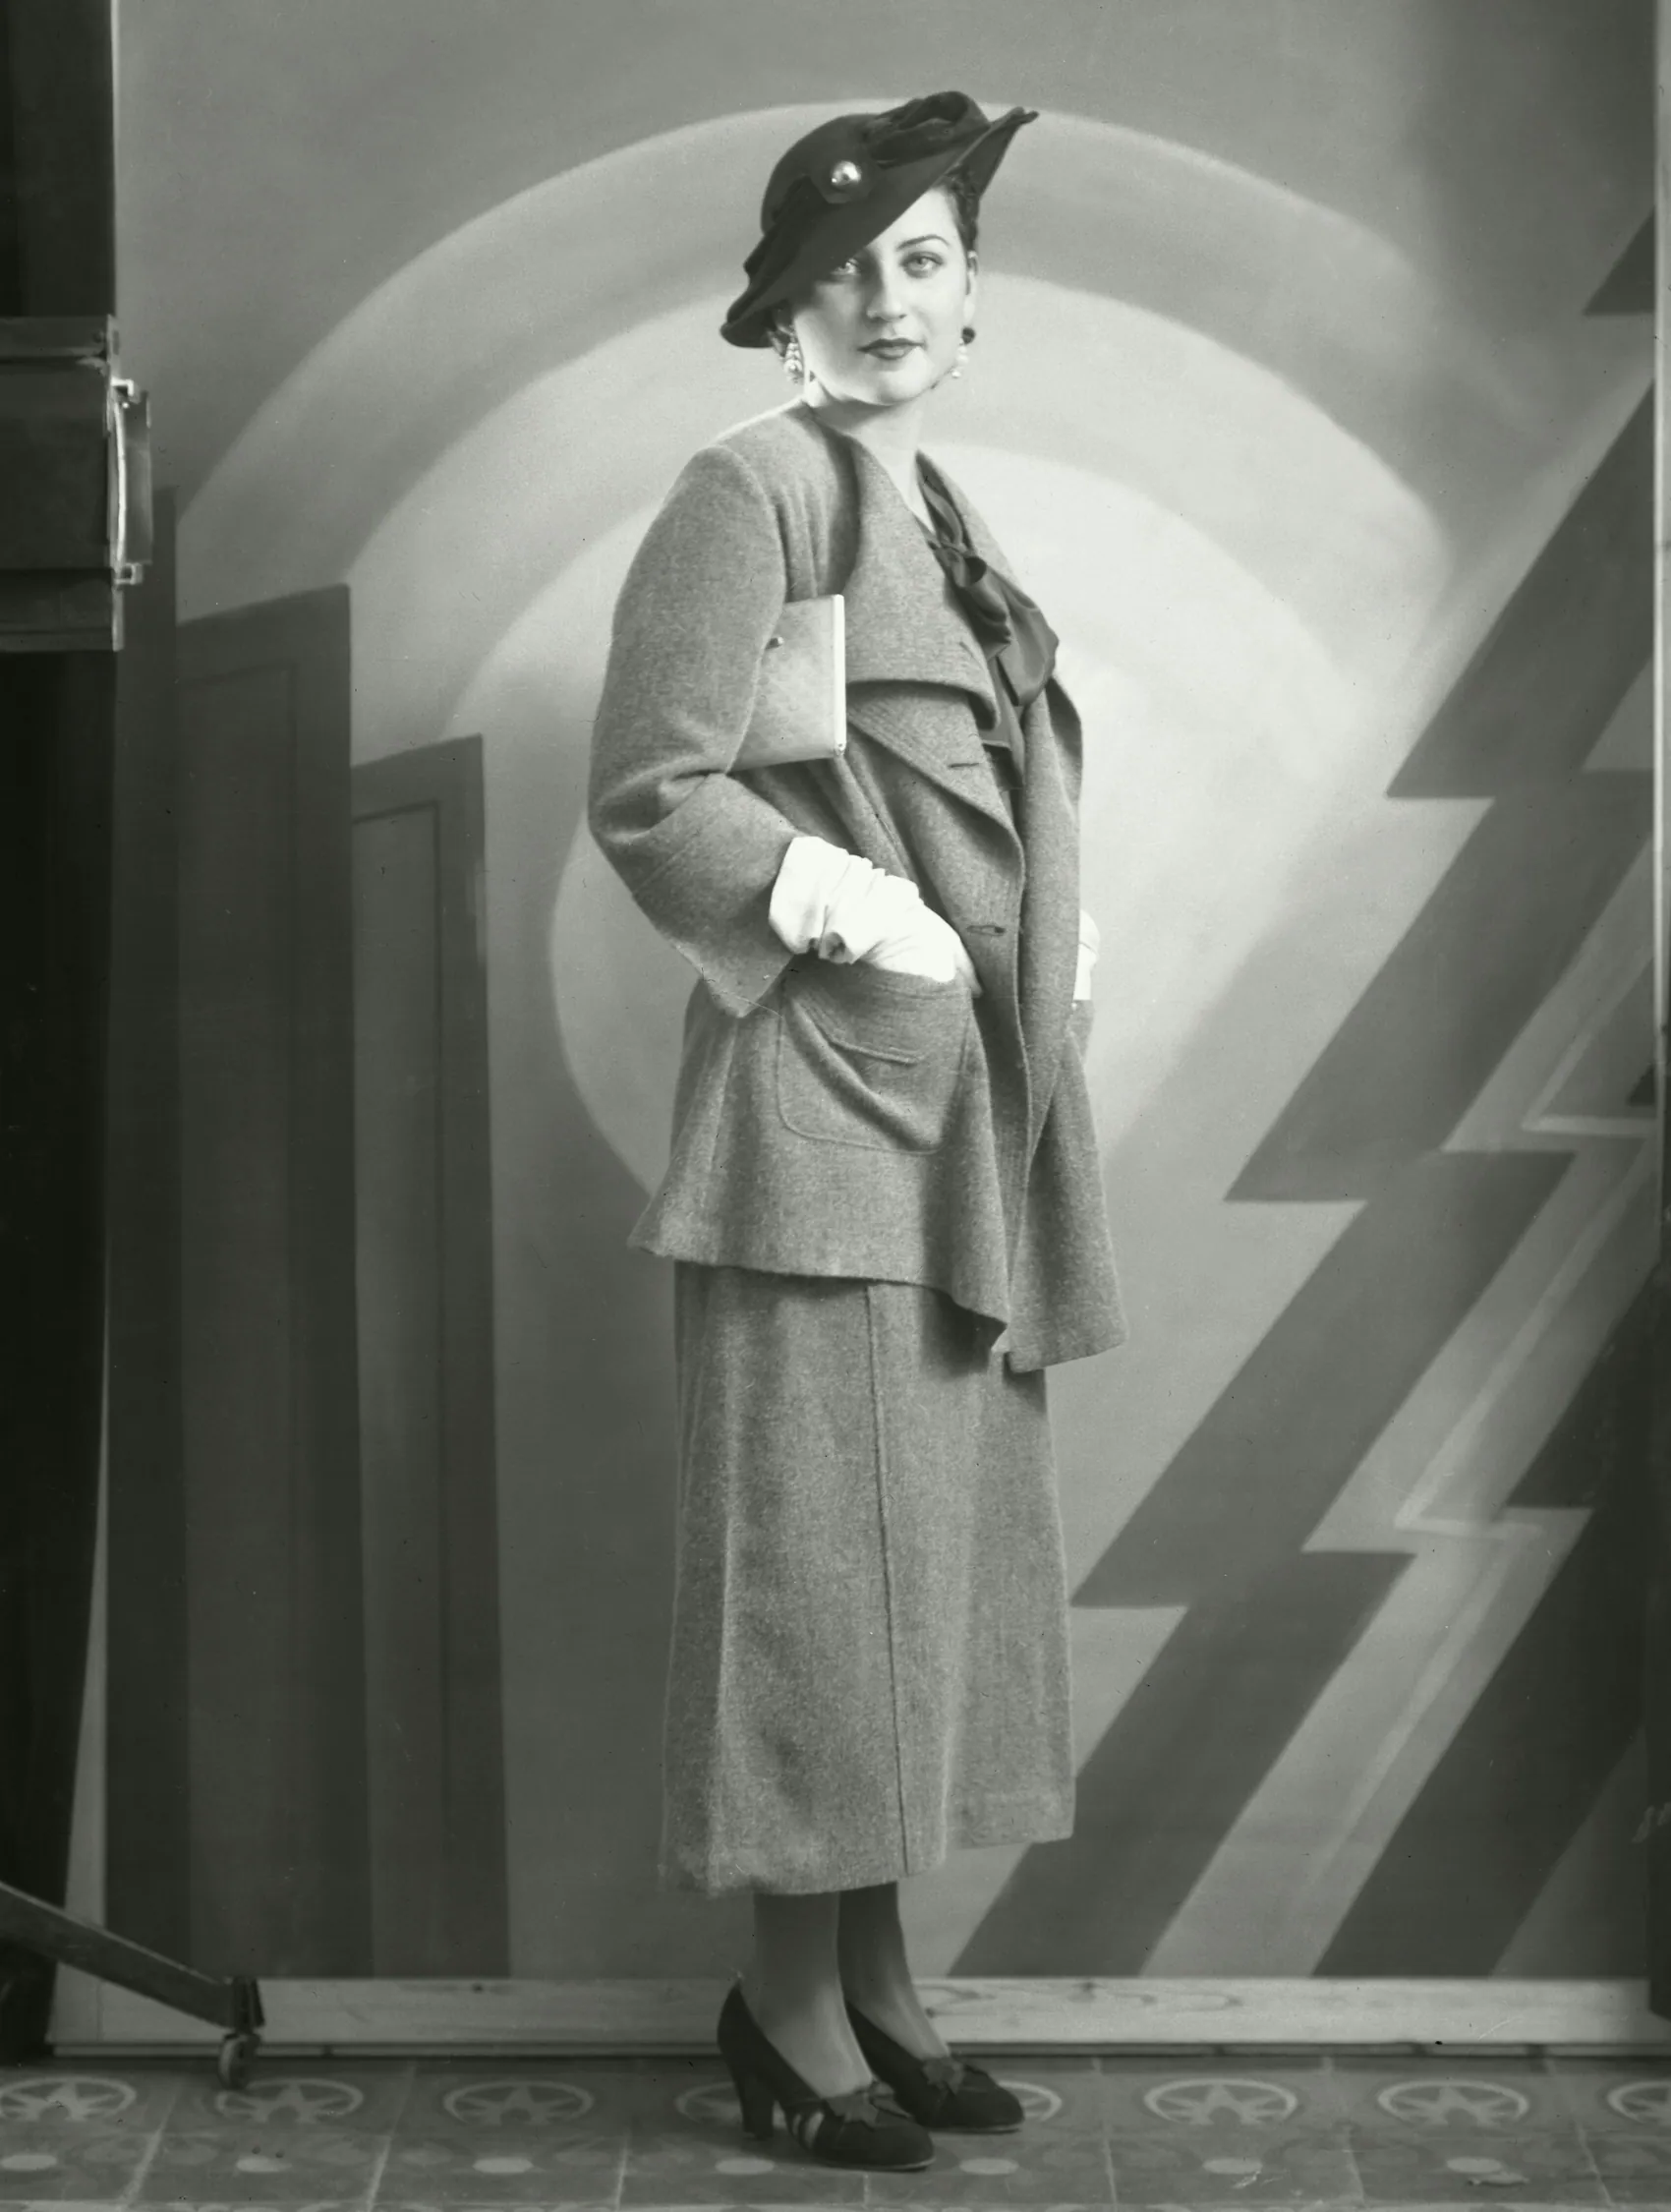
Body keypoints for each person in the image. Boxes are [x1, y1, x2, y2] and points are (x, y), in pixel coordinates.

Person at [588, 89, 1125, 2174]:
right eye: (840, 274)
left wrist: (1051, 941)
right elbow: (653, 789)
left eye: (920, 261)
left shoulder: (942, 517)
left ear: (972, 291)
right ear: (783, 316)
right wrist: (846, 906)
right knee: (819, 1589)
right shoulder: (749, 489)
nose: (886, 301)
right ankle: (786, 2011)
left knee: (923, 1583)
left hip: (967, 1123)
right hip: (823, 1118)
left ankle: (882, 1989)